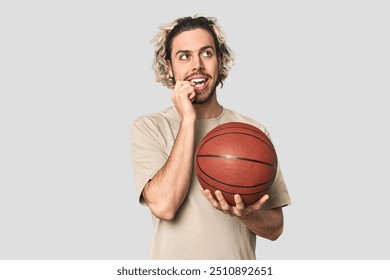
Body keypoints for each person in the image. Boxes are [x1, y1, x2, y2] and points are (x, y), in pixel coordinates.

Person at [130, 15, 291, 260]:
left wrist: (245, 213)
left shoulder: (252, 131)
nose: (197, 66)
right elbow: (165, 206)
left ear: (220, 59)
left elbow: (275, 228)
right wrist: (188, 120)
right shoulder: (149, 127)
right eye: (184, 56)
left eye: (206, 53)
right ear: (169, 65)